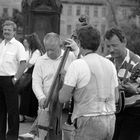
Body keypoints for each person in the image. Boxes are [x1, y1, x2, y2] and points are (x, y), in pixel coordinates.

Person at [59, 25, 119, 140]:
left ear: (79, 43)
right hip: (110, 120)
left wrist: (64, 79)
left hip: (88, 120)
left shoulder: (77, 64)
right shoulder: (110, 64)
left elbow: (63, 98)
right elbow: (116, 97)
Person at [19, 32, 79, 139]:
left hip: (66, 105)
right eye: (47, 49)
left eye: (53, 49)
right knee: (43, 134)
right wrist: (41, 97)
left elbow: (84, 65)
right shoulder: (41, 60)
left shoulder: (70, 56)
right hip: (46, 104)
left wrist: (76, 50)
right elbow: (36, 82)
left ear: (60, 45)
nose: (50, 52)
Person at [104, 27, 140, 140]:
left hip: (133, 112)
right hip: (113, 111)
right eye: (108, 46)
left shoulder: (137, 62)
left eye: (114, 45)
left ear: (124, 42)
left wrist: (136, 90)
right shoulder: (106, 61)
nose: (111, 50)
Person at [0, 20, 27, 140]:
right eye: (5, 29)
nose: (6, 32)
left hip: (10, 80)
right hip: (0, 79)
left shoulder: (18, 46)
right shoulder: (1, 44)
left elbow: (23, 63)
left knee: (12, 112)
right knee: (0, 111)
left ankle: (11, 136)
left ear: (14, 32)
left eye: (9, 30)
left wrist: (15, 78)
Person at [19, 33, 45, 122]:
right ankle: (31, 115)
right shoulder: (37, 51)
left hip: (32, 76)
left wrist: (23, 63)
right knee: (31, 97)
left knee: (27, 96)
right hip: (33, 76)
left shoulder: (36, 52)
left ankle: (23, 115)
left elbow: (30, 64)